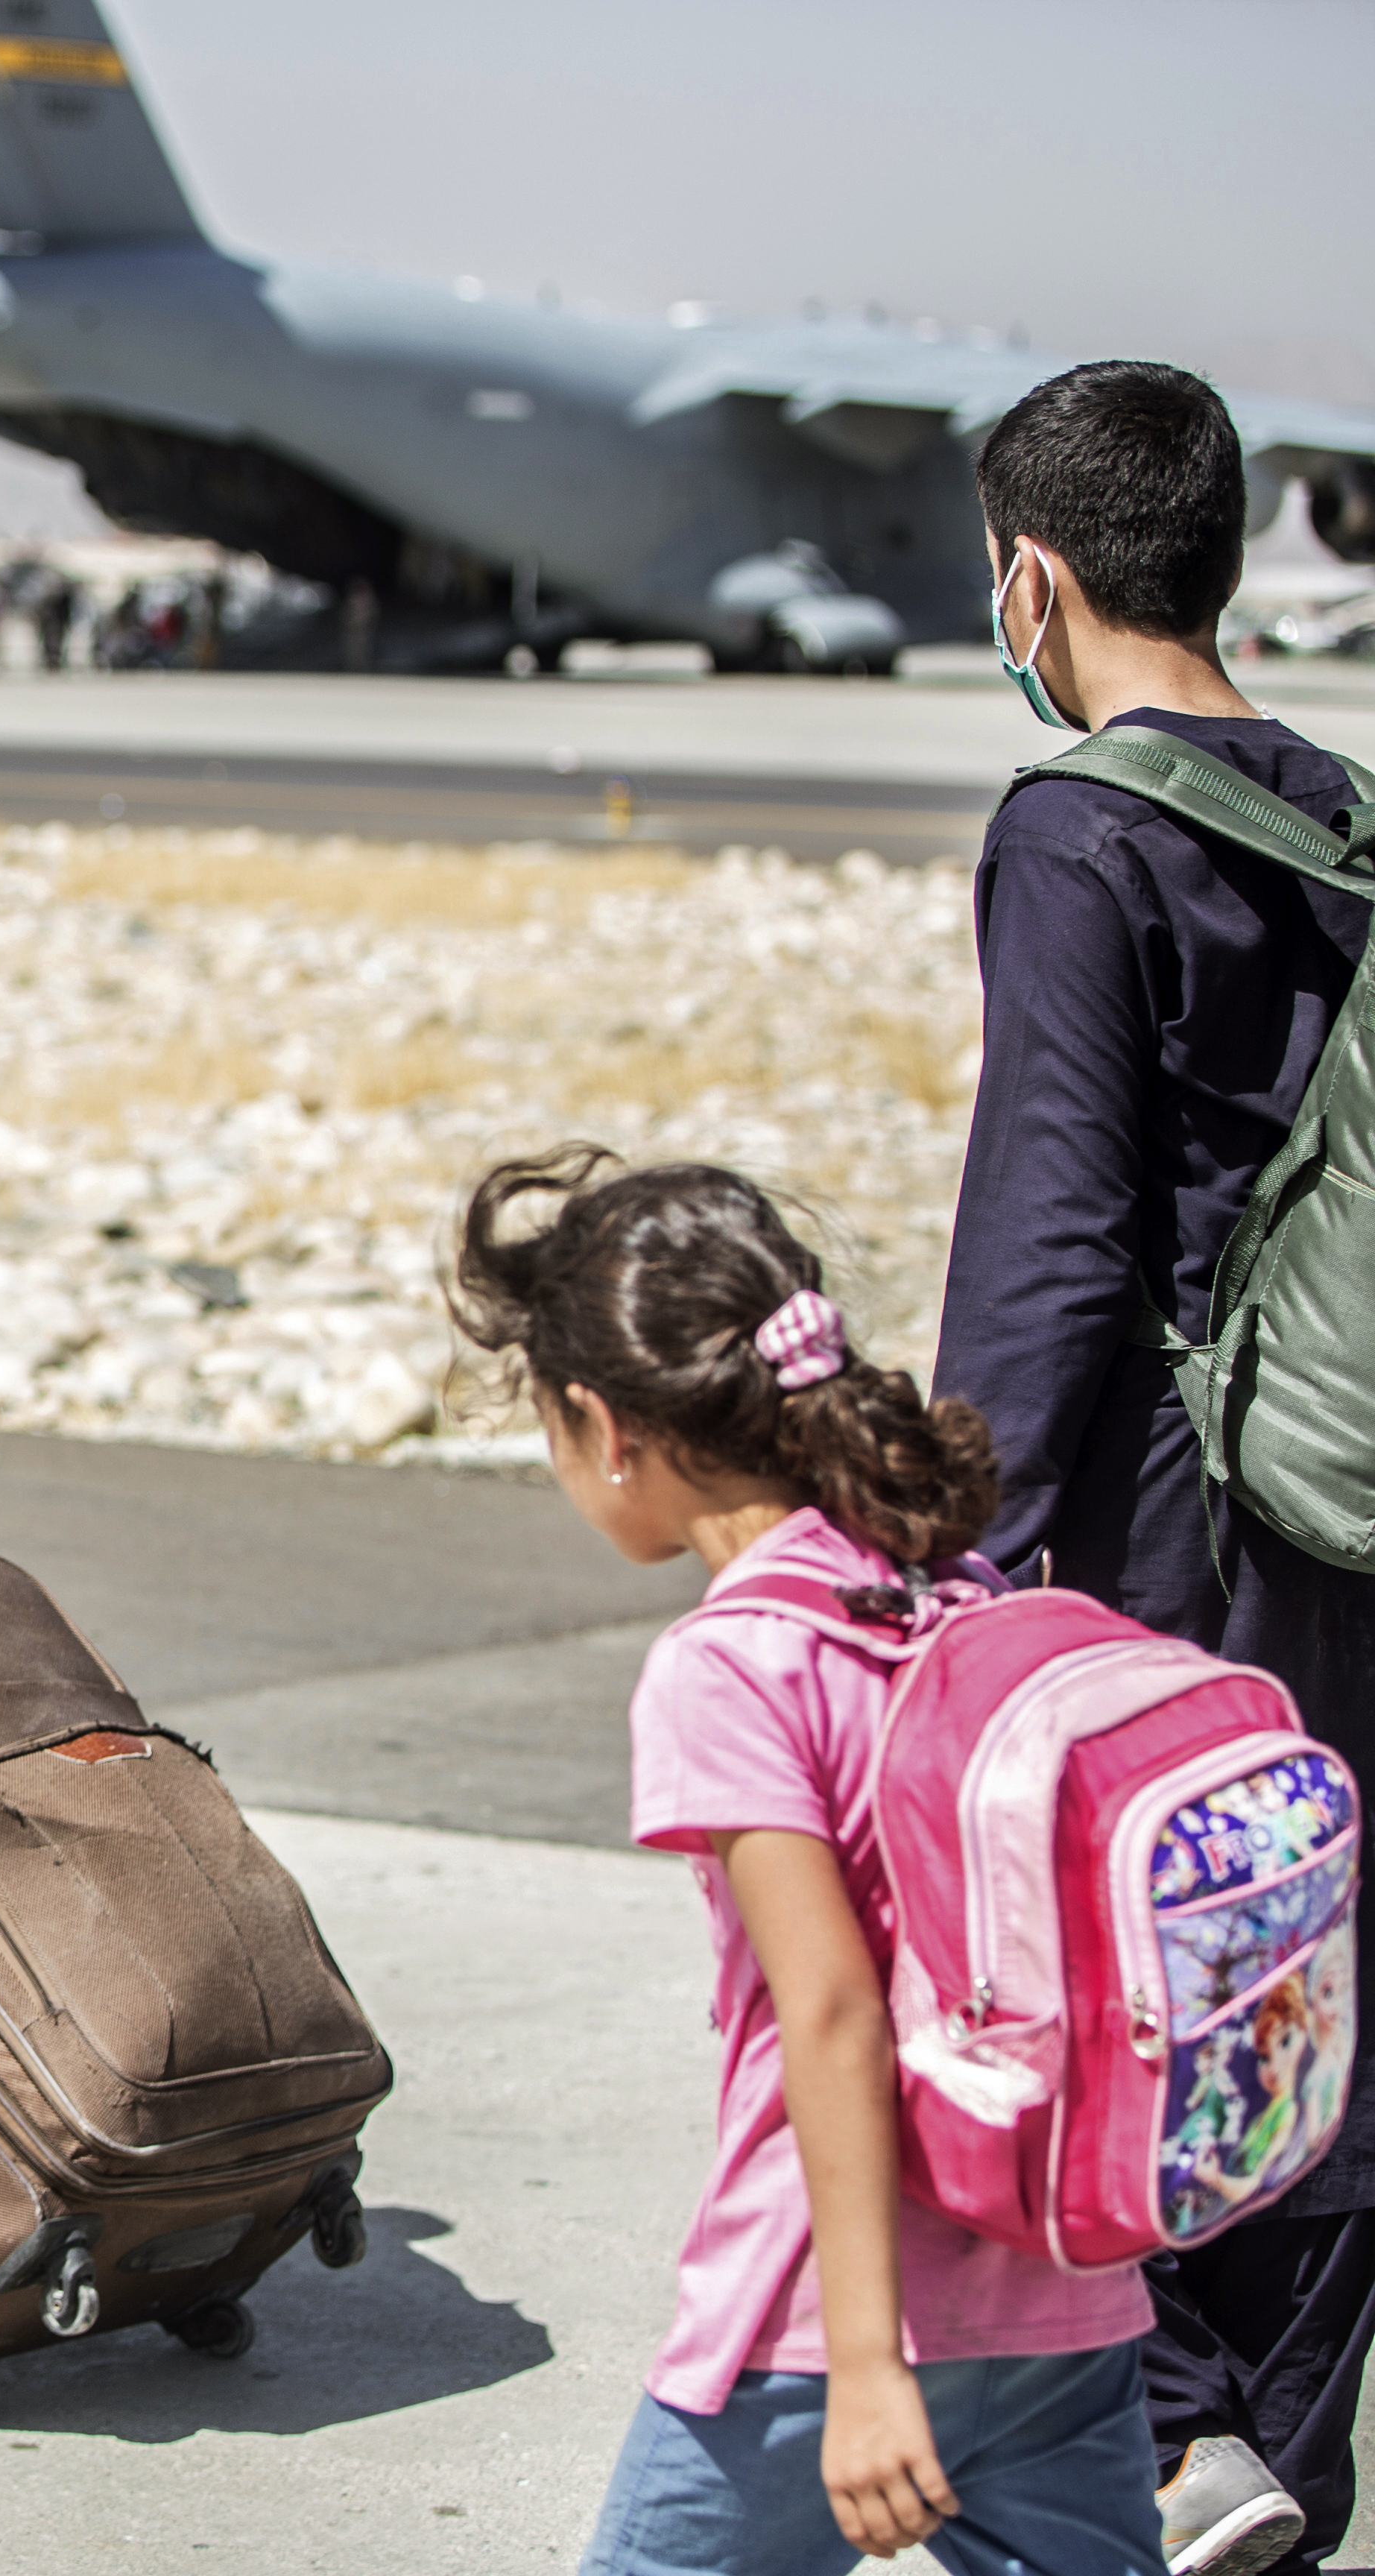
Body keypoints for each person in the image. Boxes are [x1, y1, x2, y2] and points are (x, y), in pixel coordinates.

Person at [445, 1150, 1167, 2576]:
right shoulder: (943, 1592)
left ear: (602, 1425)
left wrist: (863, 2366)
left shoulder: (731, 1665)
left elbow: (829, 2011)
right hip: (1058, 2285)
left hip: (816, 2319)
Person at [930, 359, 1375, 2576]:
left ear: (1036, 574)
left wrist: (964, 1553)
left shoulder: (1081, 829)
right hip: (1349, 1505)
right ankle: (1288, 2442)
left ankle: (1182, 2451)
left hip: (1164, 1530)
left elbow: (1054, 1231)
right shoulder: (1346, 818)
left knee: (1130, 1981)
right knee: (1308, 1971)